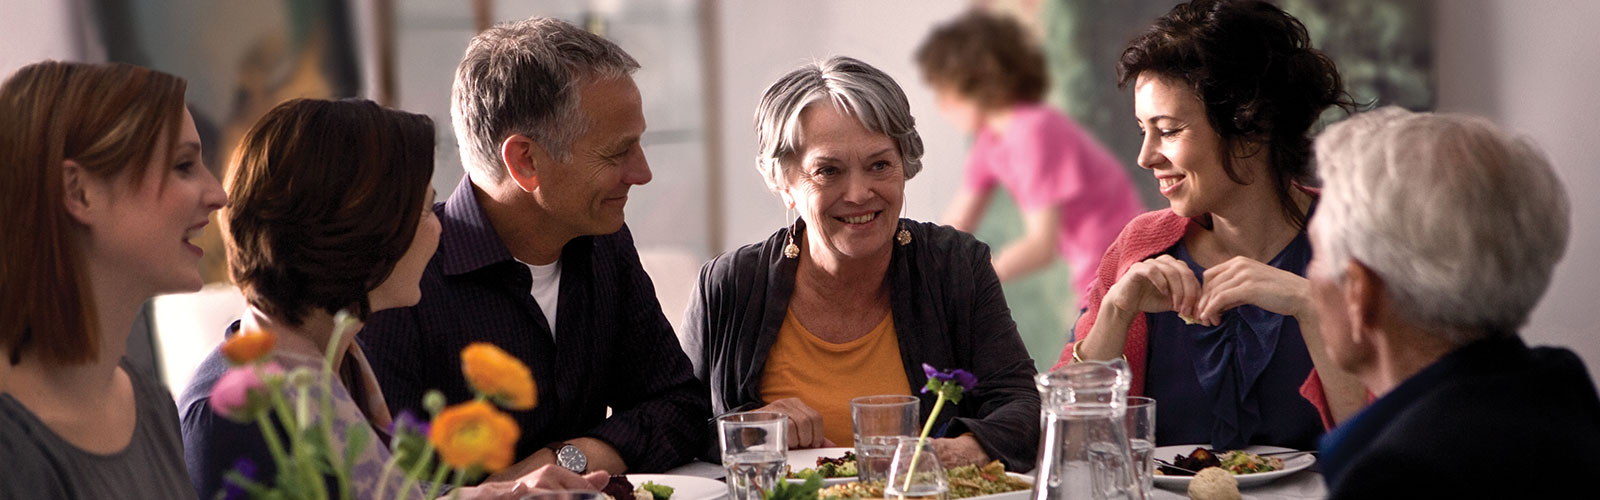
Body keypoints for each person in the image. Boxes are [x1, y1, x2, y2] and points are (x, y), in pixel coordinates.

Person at [179, 98, 602, 499]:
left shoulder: (333, 362)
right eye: (423, 212)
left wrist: (495, 494)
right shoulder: (233, 416)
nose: (439, 229)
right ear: (359, 232)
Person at [360, 17, 707, 479]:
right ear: (525, 160)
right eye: (617, 152)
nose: (642, 173)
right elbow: (379, 482)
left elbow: (679, 410)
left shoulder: (605, 243)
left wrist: (564, 459)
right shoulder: (399, 281)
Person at [681, 56, 1040, 471]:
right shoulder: (729, 284)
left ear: (905, 166)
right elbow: (677, 424)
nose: (858, 193)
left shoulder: (955, 267)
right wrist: (750, 430)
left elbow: (1022, 405)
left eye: (879, 165)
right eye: (828, 171)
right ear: (784, 182)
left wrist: (961, 452)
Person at [1055, 0, 1366, 451]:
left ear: (1251, 121)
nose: (1145, 156)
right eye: (1143, 129)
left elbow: (1389, 446)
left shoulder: (1358, 247)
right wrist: (1116, 312)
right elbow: (1067, 443)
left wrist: (1312, 307)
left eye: (1168, 130)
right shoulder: (1138, 248)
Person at [1307, 107, 1600, 497]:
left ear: (1359, 291)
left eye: (1316, 255)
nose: (1310, 277)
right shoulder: (1562, 389)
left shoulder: (1397, 476)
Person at [0, 61, 226, 498]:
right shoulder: (12, 453)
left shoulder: (151, 405)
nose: (219, 194)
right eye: (183, 165)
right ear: (79, 192)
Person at [915, 9, 1143, 304]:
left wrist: (972, 282)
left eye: (944, 92)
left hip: (1121, 260)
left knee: (1094, 345)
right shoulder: (990, 141)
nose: (940, 105)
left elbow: (1041, 245)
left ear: (977, 83)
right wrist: (920, 268)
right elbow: (956, 223)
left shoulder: (1033, 131)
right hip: (1092, 265)